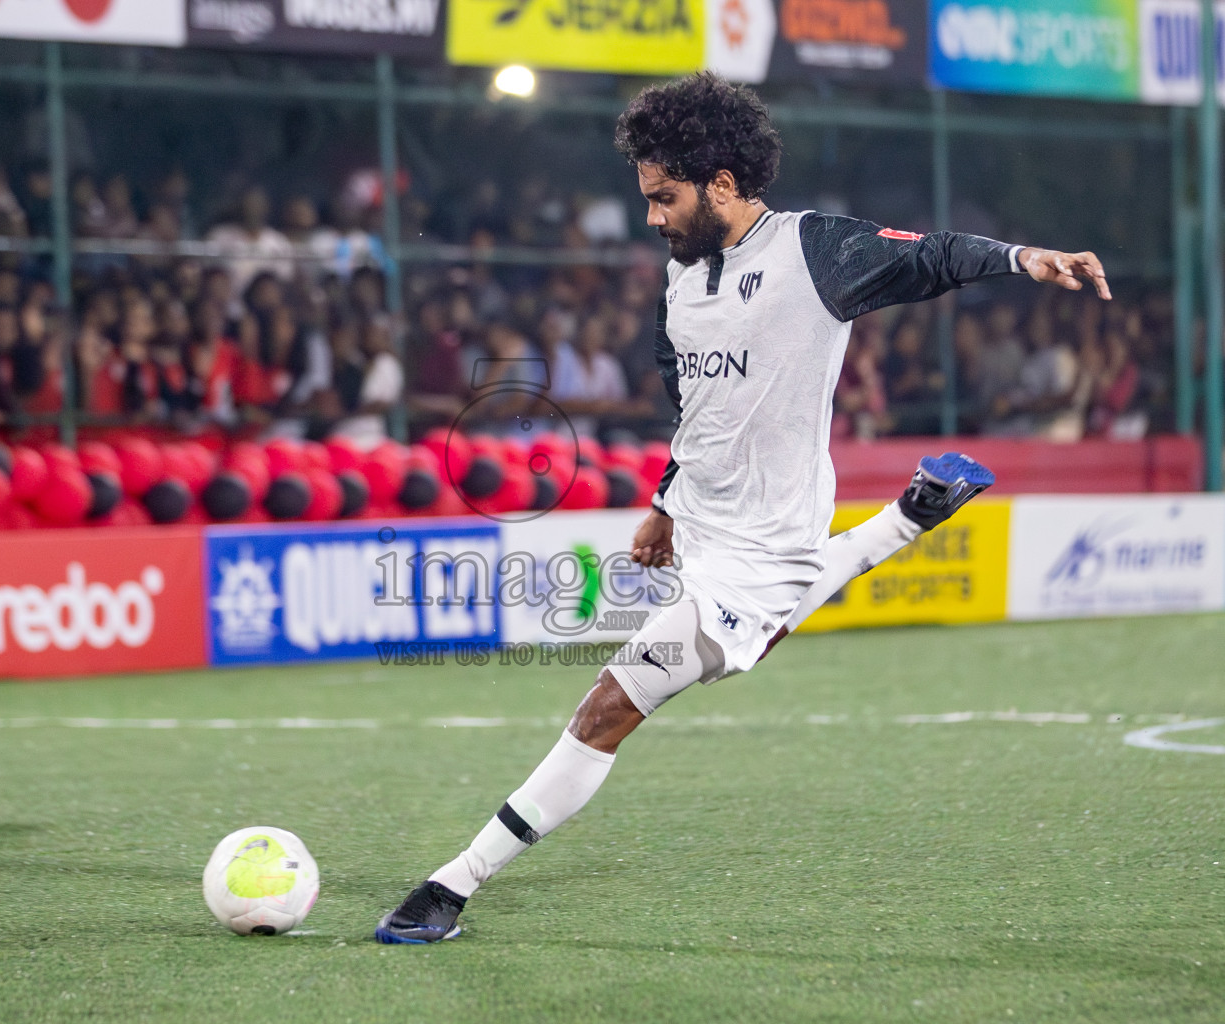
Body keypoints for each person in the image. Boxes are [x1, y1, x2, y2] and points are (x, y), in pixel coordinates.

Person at [376, 72, 1111, 944]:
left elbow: (931, 256)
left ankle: (451, 886)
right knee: (755, 635)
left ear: (723, 183)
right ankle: (908, 518)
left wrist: (1026, 259)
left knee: (609, 705)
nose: (652, 218)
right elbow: (694, 409)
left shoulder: (814, 251)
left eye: (665, 198)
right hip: (709, 531)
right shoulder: (680, 284)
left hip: (767, 551)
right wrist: (663, 504)